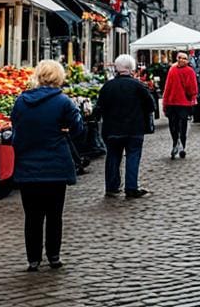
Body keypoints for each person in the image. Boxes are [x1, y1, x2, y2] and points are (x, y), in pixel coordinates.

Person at [11, 60, 85, 271]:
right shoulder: (63, 102)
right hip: (55, 166)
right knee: (54, 215)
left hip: (28, 166)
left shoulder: (21, 101)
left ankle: (33, 259)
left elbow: (15, 128)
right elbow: (79, 129)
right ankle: (53, 255)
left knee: (32, 216)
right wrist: (64, 130)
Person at [93, 54, 156, 199]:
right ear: (131, 69)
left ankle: (111, 187)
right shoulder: (138, 86)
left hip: (112, 129)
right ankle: (131, 187)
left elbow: (99, 108)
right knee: (133, 156)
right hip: (134, 129)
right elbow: (151, 105)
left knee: (113, 156)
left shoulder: (107, 86)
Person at [162, 51, 198, 159]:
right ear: (177, 58)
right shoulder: (176, 70)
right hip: (177, 103)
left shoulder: (184, 71)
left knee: (177, 125)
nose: (182, 60)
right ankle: (178, 144)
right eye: (180, 58)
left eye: (184, 58)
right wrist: (165, 102)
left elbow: (192, 88)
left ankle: (178, 144)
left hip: (178, 103)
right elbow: (192, 89)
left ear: (187, 60)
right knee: (178, 125)